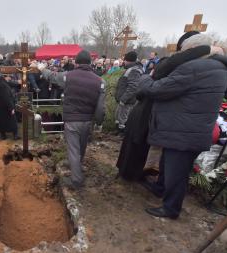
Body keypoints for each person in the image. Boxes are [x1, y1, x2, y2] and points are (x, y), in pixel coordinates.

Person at [138, 33, 227, 219]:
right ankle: (160, 188)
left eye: (185, 51)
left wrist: (146, 79)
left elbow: (158, 89)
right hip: (191, 127)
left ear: (193, 50)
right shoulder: (220, 68)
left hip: (183, 130)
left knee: (176, 172)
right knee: (168, 163)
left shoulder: (195, 68)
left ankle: (171, 208)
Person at [116, 38, 213, 181]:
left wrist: (146, 81)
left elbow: (151, 88)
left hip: (149, 110)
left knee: (139, 145)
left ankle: (131, 173)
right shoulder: (197, 67)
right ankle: (131, 173)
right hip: (152, 111)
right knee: (137, 145)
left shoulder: (176, 66)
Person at [37, 50, 106, 190]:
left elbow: (52, 76)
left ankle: (76, 180)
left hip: (72, 119)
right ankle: (77, 167)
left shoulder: (68, 76)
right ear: (90, 62)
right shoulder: (100, 81)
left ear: (76, 62)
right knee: (81, 147)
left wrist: (42, 68)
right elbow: (100, 107)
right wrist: (98, 122)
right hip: (87, 121)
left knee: (73, 150)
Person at [114, 51, 143, 133]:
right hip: (124, 100)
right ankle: (117, 132)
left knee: (123, 119)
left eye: (125, 60)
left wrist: (123, 99)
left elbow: (133, 87)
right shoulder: (131, 69)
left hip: (127, 101)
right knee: (118, 116)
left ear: (128, 60)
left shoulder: (134, 71)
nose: (124, 62)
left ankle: (123, 135)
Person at [0, 71, 19, 140]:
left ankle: (3, 135)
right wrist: (11, 108)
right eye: (9, 77)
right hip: (5, 107)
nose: (10, 79)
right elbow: (6, 97)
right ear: (6, 76)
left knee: (0, 121)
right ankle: (15, 135)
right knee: (12, 120)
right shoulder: (3, 85)